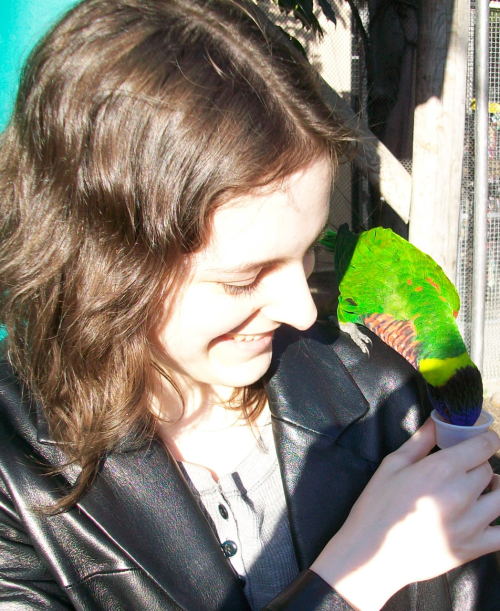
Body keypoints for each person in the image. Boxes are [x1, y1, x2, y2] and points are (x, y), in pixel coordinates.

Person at [0, 1, 500, 609]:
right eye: (243, 279)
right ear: (103, 263)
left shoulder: (380, 392)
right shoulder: (16, 471)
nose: (305, 313)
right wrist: (360, 574)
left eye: (309, 249)